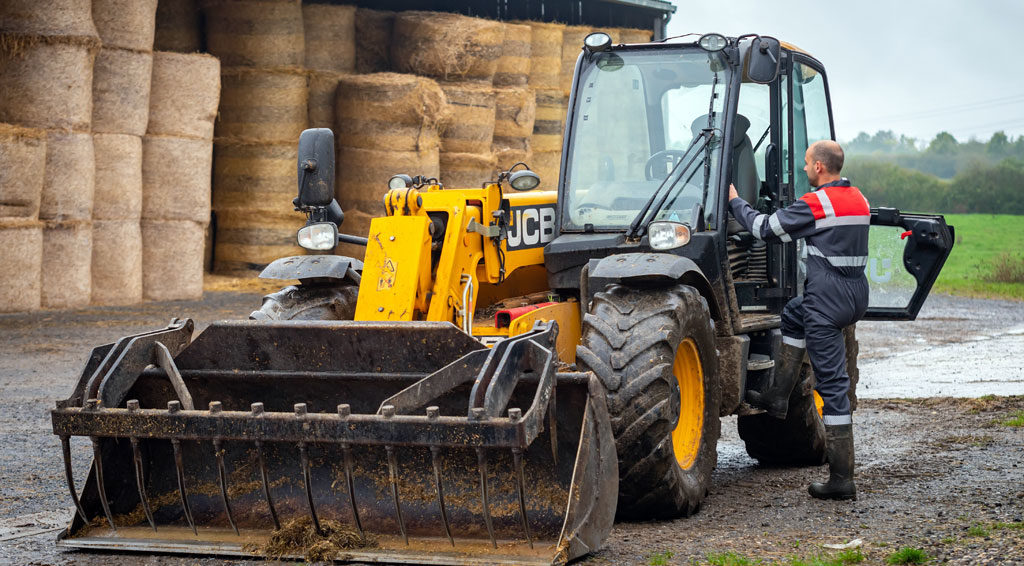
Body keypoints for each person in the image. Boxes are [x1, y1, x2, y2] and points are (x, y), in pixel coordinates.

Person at [728, 139, 869, 501]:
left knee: (834, 387)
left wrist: (734, 200)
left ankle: (841, 479)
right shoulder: (858, 198)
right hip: (854, 295)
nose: (804, 168)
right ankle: (778, 395)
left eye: (807, 163)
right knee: (792, 314)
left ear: (820, 167)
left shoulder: (818, 202)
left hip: (827, 303)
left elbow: (762, 228)